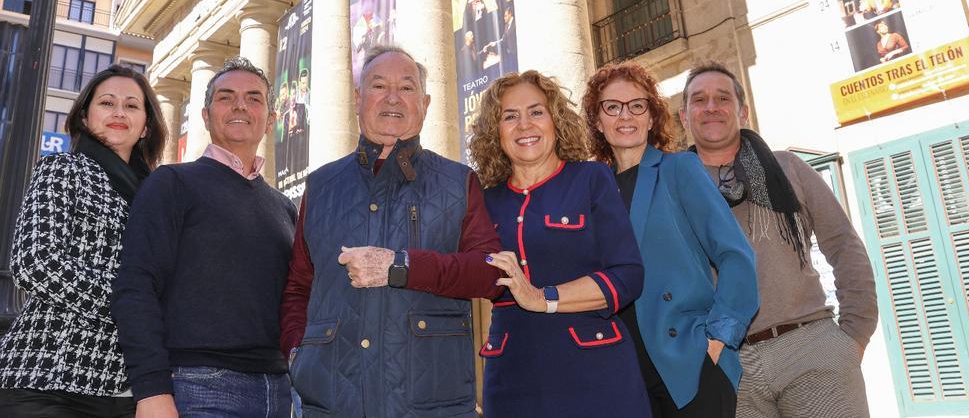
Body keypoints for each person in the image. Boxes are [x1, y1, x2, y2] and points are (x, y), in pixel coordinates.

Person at [280, 45, 501, 417]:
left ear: (426, 103)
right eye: (379, 85)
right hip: (332, 404)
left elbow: (492, 273)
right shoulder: (320, 187)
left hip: (432, 404)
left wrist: (402, 266)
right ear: (357, 99)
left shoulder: (459, 182)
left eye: (407, 87)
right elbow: (299, 287)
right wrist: (298, 354)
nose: (393, 98)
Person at [680, 62, 878, 418]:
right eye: (699, 99)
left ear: (743, 110)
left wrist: (854, 335)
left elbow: (843, 244)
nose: (711, 106)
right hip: (727, 363)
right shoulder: (673, 187)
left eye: (722, 98)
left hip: (812, 348)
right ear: (684, 116)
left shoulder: (787, 168)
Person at [113, 56, 297, 418]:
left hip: (277, 391)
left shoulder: (284, 207)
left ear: (271, 119)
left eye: (254, 98)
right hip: (197, 388)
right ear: (206, 115)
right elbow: (136, 286)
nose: (241, 105)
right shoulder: (171, 183)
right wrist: (151, 390)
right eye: (226, 97)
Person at [0, 64, 166, 417]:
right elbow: (35, 263)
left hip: (125, 389)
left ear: (146, 125)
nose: (118, 112)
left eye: (131, 106)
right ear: (84, 117)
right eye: (106, 103)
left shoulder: (158, 195)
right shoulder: (64, 169)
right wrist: (132, 305)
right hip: (45, 380)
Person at [581, 62, 758, 416]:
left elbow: (735, 256)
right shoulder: (590, 189)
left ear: (651, 116)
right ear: (598, 122)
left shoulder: (679, 169)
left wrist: (717, 340)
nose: (625, 116)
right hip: (621, 368)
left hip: (688, 363)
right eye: (612, 107)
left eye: (637, 105)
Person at [470, 70, 649, 416]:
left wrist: (543, 298)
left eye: (536, 112)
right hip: (511, 380)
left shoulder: (591, 178)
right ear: (495, 130)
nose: (525, 125)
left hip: (596, 377)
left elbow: (628, 276)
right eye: (510, 116)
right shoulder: (482, 201)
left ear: (555, 121)